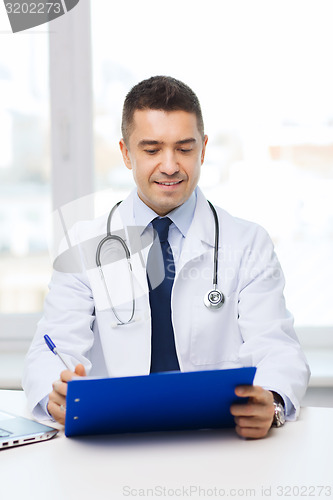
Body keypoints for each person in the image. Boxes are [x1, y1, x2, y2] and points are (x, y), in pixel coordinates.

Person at [22, 75, 310, 439]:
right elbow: (52, 347)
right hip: (115, 441)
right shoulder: (83, 244)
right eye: (152, 149)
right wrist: (55, 394)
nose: (170, 165)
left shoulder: (248, 242)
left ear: (203, 149)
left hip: (217, 439)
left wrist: (271, 400)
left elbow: (278, 348)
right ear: (126, 153)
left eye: (184, 149)